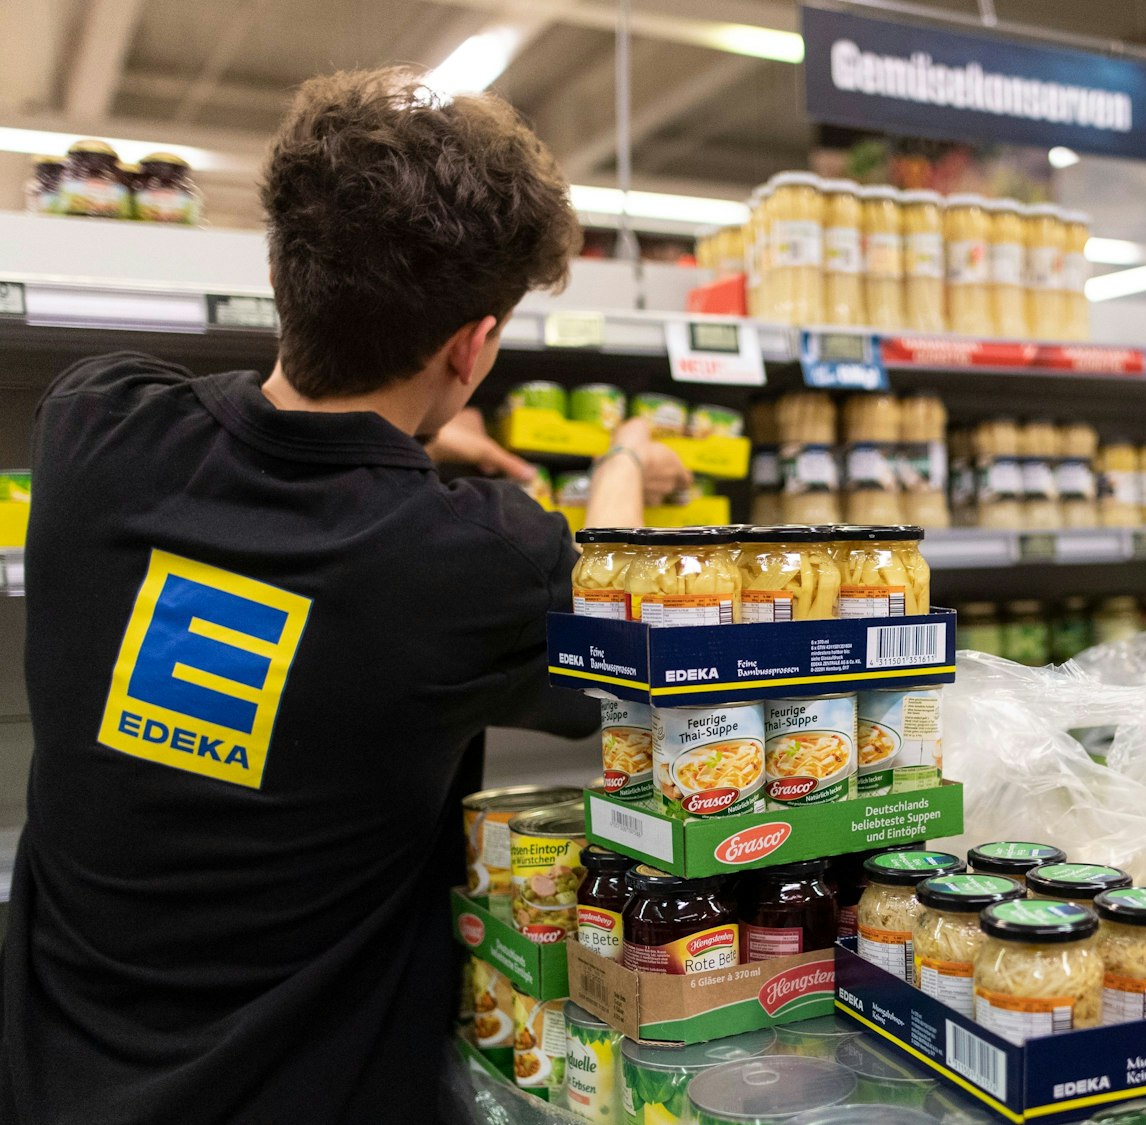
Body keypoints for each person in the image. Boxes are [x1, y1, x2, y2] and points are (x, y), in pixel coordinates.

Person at [0, 68, 688, 1123]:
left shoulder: (97, 427)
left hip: (53, 1081)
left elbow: (272, 460)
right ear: (472, 348)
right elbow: (622, 617)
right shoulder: (475, 560)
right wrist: (628, 461)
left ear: (283, 269)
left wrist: (403, 431)